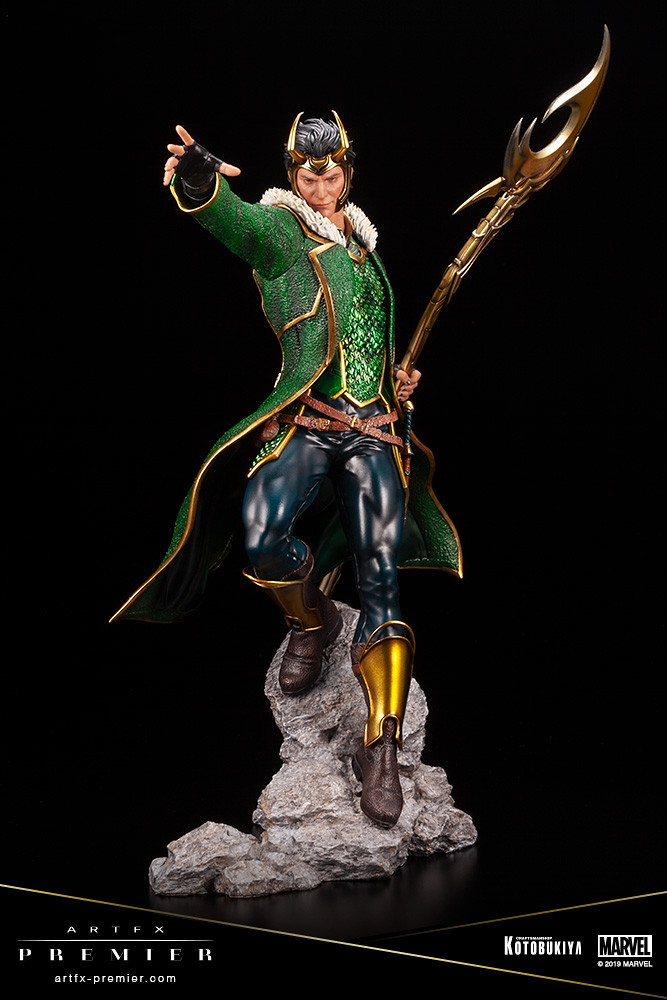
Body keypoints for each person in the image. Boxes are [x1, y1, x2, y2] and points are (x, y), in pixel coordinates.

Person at [111, 112, 462, 827]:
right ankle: (311, 622)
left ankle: (383, 746)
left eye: (330, 172)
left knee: (382, 581)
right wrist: (201, 182)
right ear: (294, 175)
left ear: (348, 174)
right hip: (308, 424)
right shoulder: (282, 232)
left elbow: (369, 342)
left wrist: (397, 382)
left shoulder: (365, 248)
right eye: (307, 172)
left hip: (373, 433)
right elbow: (232, 222)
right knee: (262, 534)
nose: (319, 183)